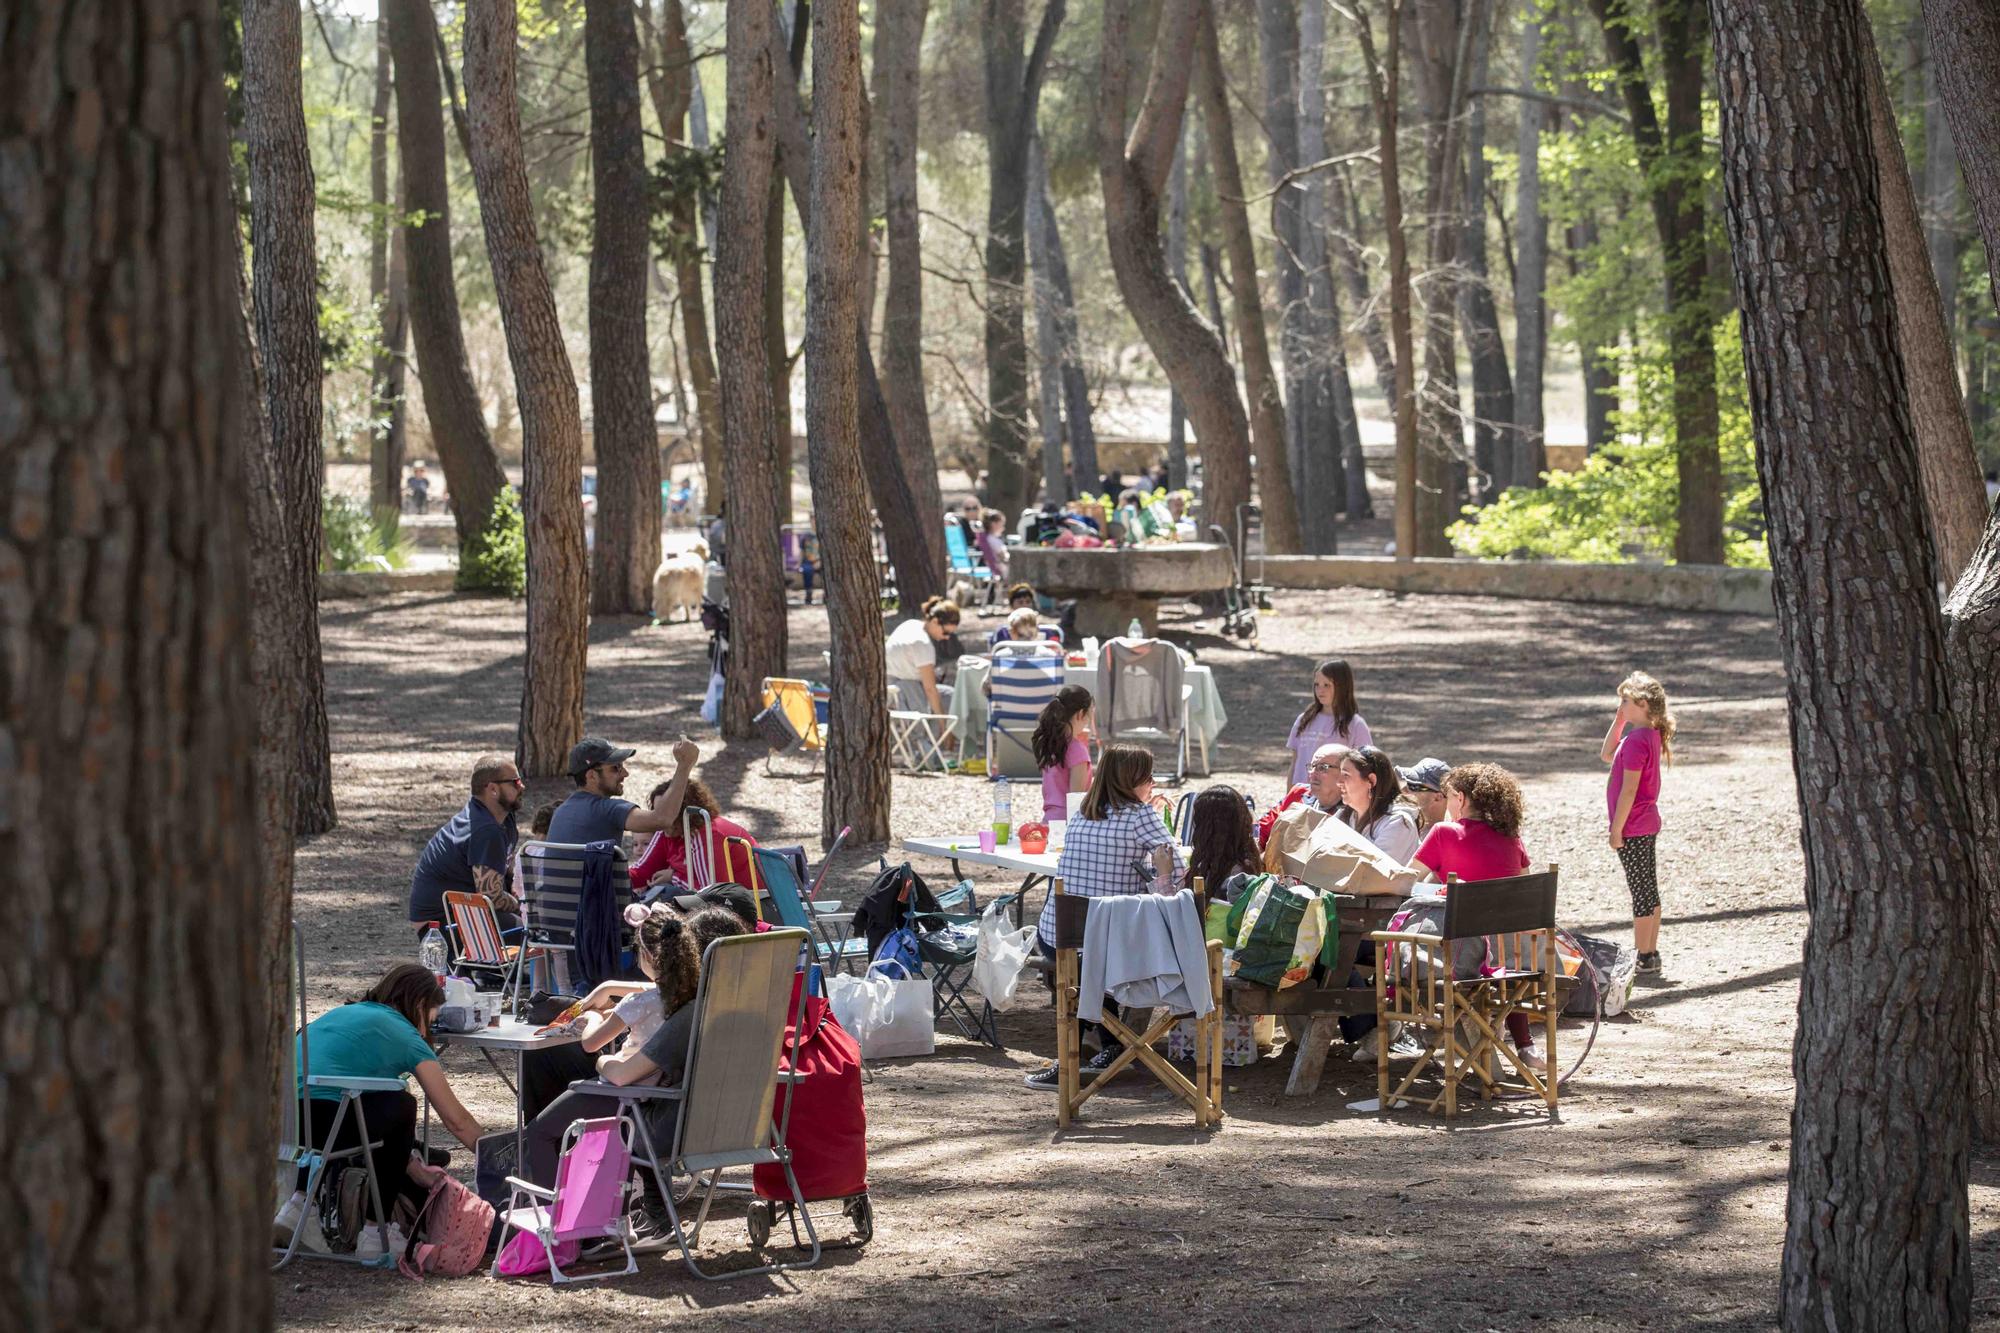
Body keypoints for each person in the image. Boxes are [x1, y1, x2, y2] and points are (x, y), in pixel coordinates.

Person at [519, 911, 701, 1244]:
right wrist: (609, 991)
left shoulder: (637, 1003)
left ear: (645, 956)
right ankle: (604, 1221)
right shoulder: (686, 997)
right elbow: (651, 990)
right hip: (653, 1095)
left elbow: (591, 1043)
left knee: (540, 1132)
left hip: (621, 1091)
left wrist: (591, 1019)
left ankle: (556, 1225)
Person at [1025, 746, 1185, 1092]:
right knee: (1113, 945)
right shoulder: (1140, 815)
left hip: (1056, 935)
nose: (1153, 783)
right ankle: (1084, 1055)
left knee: (1094, 953)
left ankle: (1109, 1046)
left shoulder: (1083, 812)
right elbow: (1178, 869)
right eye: (1148, 777)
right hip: (1102, 942)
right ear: (1133, 781)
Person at [282, 965, 484, 1233]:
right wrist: (494, 1156)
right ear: (420, 1004)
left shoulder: (342, 1013)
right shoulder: (406, 1035)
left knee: (368, 1099)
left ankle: (299, 1205)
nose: (427, 1032)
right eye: (431, 1020)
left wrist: (411, 1161)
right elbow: (456, 1120)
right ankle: (375, 1230)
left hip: (284, 1122)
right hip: (325, 1125)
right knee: (402, 1105)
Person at [1405, 762, 1543, 1071]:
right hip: (1512, 962)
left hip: (1461, 960)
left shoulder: (1443, 832)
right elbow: (1525, 891)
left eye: (1450, 796)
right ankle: (1526, 1044)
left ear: (1462, 799)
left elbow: (1406, 882)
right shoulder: (1511, 838)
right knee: (1502, 953)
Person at [1601, 671, 1675, 976]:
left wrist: (1617, 829)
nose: (1621, 705)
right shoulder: (1648, 735)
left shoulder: (1634, 743)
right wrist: (1619, 720)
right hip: (1646, 823)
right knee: (1648, 888)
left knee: (1640, 891)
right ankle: (1651, 952)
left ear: (1643, 704)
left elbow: (1629, 790)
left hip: (1633, 826)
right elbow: (1606, 754)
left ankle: (1643, 954)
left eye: (1626, 701)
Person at [408, 755, 525, 928]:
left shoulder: (502, 818)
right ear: (493, 789)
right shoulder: (486, 830)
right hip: (441, 923)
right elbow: (491, 897)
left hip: (465, 910)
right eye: (515, 782)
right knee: (535, 933)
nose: (522, 786)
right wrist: (526, 907)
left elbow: (505, 869)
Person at [547, 736, 699, 847]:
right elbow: (662, 819)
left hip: (559, 892)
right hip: (596, 892)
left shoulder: (561, 811)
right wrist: (684, 766)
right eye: (616, 768)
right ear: (591, 775)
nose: (625, 773)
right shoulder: (607, 809)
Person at [629, 774, 754, 893]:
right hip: (719, 900)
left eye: (668, 812)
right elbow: (641, 871)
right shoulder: (667, 826)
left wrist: (674, 877)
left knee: (666, 894)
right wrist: (613, 877)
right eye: (657, 812)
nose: (661, 818)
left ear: (685, 812)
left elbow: (713, 893)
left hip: (755, 904)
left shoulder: (708, 835)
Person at [1283, 659, 1372, 787]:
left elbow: (1364, 768)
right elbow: (1295, 763)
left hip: (1336, 799)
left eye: (1327, 685)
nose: (1320, 690)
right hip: (1302, 797)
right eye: (1316, 684)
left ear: (1342, 686)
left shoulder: (1356, 725)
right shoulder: (1303, 720)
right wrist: (1289, 797)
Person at [1256, 741, 1354, 848]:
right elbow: (1262, 829)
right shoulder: (1299, 793)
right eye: (1312, 766)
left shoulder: (1355, 811)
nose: (1312, 773)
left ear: (1345, 774)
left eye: (1322, 767)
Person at [1335, 746, 1421, 864]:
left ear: (1371, 781)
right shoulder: (1343, 816)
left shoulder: (1398, 823)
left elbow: (1374, 872)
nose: (1338, 782)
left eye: (1346, 775)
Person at [1182, 785, 1261, 905]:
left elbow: (1178, 912)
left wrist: (1164, 873)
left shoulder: (1231, 878)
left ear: (1206, 831)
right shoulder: (1246, 861)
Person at [884, 596, 960, 716]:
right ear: (935, 621)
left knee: (951, 696)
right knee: (946, 705)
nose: (947, 637)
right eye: (946, 632)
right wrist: (942, 722)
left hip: (887, 688)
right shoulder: (923, 644)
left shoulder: (910, 624)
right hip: (905, 694)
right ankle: (940, 733)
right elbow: (930, 689)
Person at [1032, 685, 1096, 823]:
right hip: (1068, 823)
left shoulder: (1051, 745)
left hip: (1049, 820)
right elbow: (1076, 798)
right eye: (1090, 716)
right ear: (1080, 714)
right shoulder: (1078, 750)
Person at [1396, 757, 1451, 835]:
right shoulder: (1398, 824)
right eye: (1407, 784)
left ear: (1438, 798)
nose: (1403, 790)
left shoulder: (1446, 838)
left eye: (1413, 786)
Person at [975, 509, 1011, 583]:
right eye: (1002, 524)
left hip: (995, 567)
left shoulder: (988, 538)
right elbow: (1003, 556)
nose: (1003, 527)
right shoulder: (993, 540)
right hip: (1002, 568)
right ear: (993, 524)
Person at [797, 524, 820, 605]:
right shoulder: (806, 536)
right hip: (808, 562)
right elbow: (802, 552)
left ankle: (827, 595)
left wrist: (819, 562)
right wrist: (798, 564)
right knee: (807, 570)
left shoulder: (823, 534)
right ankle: (808, 594)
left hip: (820, 561)